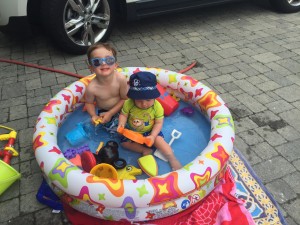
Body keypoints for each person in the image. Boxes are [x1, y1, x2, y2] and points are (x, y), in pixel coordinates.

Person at [118, 71, 182, 171]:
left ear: (154, 96)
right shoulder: (128, 103)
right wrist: (121, 124)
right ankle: (145, 150)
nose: (144, 104)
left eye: (148, 100)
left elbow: (158, 123)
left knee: (160, 142)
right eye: (139, 100)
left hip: (151, 131)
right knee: (124, 144)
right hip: (132, 131)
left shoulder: (157, 107)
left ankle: (172, 158)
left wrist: (152, 135)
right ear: (133, 97)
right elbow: (123, 115)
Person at [85, 43, 128, 132]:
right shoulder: (92, 88)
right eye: (97, 61)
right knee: (110, 130)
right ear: (91, 68)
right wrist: (93, 115)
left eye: (109, 60)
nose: (104, 63)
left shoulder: (120, 79)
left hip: (123, 108)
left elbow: (125, 99)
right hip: (104, 111)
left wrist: (111, 113)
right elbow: (89, 103)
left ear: (116, 65)